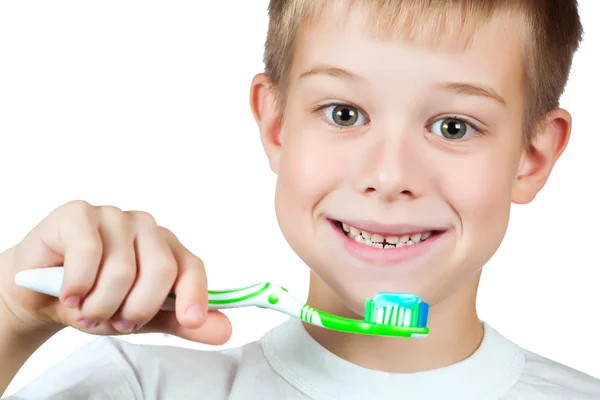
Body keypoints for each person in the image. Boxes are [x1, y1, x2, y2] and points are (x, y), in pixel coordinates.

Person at [1, 0, 599, 399]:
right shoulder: (136, 389)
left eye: (453, 127)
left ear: (532, 157)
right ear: (276, 125)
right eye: (344, 113)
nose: (389, 177)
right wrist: (10, 314)